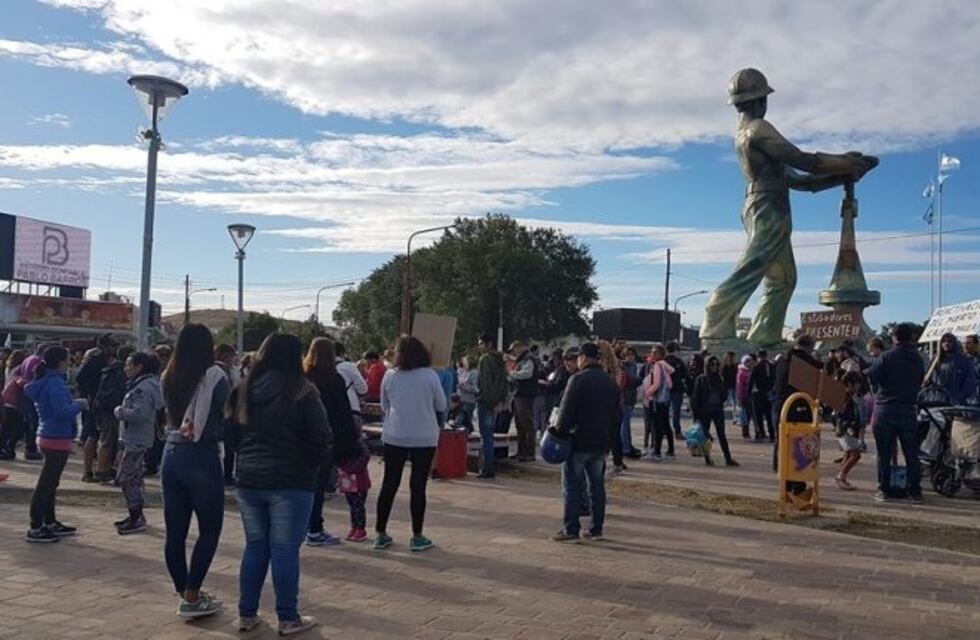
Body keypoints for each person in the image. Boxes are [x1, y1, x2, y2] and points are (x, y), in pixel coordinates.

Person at [699, 67, 877, 345]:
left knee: (783, 280)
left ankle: (765, 335)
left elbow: (802, 182)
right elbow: (804, 161)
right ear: (761, 101)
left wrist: (842, 175)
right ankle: (715, 323)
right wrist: (846, 162)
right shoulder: (758, 129)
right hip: (767, 207)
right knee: (751, 267)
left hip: (767, 203)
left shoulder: (747, 132)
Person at [230, 333, 331, 635]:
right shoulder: (303, 391)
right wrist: (312, 465)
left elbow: (230, 435)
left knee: (255, 546)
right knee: (285, 549)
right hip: (291, 480)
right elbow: (321, 437)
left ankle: (247, 614)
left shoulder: (243, 389)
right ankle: (287, 617)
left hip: (249, 479)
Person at [160, 323, 230, 619]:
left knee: (175, 532)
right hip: (202, 454)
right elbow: (230, 415)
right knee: (210, 529)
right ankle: (192, 595)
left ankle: (183, 590)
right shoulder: (215, 376)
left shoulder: (168, 375)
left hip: (171, 453)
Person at [374, 336, 447, 552]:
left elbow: (384, 405)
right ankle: (417, 535)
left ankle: (380, 533)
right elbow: (441, 404)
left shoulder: (390, 375)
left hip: (395, 435)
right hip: (424, 436)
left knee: (389, 483)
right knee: (418, 486)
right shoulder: (429, 375)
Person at [549, 342, 621, 543]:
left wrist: (558, 434)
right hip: (600, 443)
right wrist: (610, 441)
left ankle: (571, 528)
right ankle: (596, 529)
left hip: (578, 442)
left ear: (583, 358)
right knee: (597, 486)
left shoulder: (577, 380)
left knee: (572, 485)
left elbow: (565, 412)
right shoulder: (610, 383)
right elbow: (617, 417)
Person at [24, 346, 86, 543]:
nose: (69, 363)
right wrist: (79, 405)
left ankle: (49, 522)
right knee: (46, 485)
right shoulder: (55, 383)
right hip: (56, 437)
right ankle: (36, 526)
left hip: (49, 435)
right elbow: (61, 412)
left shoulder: (46, 381)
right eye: (68, 359)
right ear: (60, 362)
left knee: (50, 484)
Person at [303, 337, 358, 547]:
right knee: (319, 486)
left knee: (304, 486)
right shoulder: (335, 380)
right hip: (327, 439)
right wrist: (350, 442)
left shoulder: (303, 377)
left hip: (303, 439)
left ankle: (304, 526)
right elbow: (343, 413)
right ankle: (315, 529)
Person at [869, 323, 926, 502]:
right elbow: (920, 379)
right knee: (911, 453)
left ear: (894, 337)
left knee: (884, 453)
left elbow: (873, 377)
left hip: (886, 408)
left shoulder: (886, 356)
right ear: (911, 337)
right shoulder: (918, 358)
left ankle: (884, 489)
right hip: (908, 409)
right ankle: (914, 490)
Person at [113, 351, 164, 534]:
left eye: (129, 364)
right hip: (136, 437)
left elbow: (140, 414)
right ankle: (135, 514)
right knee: (133, 478)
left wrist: (119, 412)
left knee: (126, 477)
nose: (126, 368)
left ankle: (136, 516)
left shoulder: (143, 388)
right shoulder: (145, 385)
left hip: (137, 439)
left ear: (139, 367)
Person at [691, 356, 739, 467]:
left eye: (717, 364)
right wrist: (696, 414)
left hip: (717, 409)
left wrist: (721, 401)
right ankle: (707, 458)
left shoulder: (720, 378)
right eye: (712, 364)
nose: (715, 367)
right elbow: (696, 397)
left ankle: (728, 458)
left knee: (722, 435)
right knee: (705, 436)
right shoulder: (701, 379)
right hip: (705, 411)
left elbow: (724, 393)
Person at [94, 345, 132, 483]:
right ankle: (110, 470)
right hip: (116, 409)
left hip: (105, 408)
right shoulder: (122, 373)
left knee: (105, 441)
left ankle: (102, 469)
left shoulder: (108, 371)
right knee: (116, 442)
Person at [475, 334, 507, 479]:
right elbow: (504, 382)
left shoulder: (485, 359)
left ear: (489, 344)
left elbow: (486, 383)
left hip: (486, 402)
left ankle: (487, 468)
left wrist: (490, 402)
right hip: (496, 402)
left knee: (485, 437)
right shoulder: (500, 360)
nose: (479, 346)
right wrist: (500, 401)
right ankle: (488, 467)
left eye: (481, 343)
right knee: (489, 436)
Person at [641, 344, 675, 462]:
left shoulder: (657, 366)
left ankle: (656, 452)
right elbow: (670, 384)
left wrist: (647, 393)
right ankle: (670, 450)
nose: (652, 354)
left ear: (661, 354)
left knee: (657, 426)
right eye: (652, 352)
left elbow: (656, 384)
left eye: (655, 352)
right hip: (664, 400)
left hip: (656, 400)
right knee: (665, 424)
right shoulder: (665, 366)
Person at [833, 371, 866, 491]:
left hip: (845, 430)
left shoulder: (848, 396)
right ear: (850, 384)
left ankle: (842, 476)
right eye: (857, 384)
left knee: (848, 454)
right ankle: (840, 477)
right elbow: (841, 415)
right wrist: (848, 427)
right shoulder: (846, 397)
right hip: (846, 431)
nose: (859, 386)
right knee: (856, 455)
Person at [507, 341, 540, 462]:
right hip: (520, 394)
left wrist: (511, 373)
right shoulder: (523, 359)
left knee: (527, 424)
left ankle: (530, 452)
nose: (514, 352)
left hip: (525, 394)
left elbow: (526, 374)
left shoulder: (528, 359)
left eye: (515, 349)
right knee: (519, 424)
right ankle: (521, 451)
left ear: (521, 347)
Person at [214, 343, 242, 487]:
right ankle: (227, 474)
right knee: (230, 446)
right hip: (229, 411)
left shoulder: (213, 370)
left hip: (221, 413)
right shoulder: (225, 371)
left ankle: (225, 474)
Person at [598, 340, 626, 473]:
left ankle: (604, 463)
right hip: (616, 403)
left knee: (605, 436)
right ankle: (618, 462)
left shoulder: (602, 368)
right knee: (616, 435)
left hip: (604, 405)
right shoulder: (616, 367)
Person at [144, 344, 172, 477]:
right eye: (161, 355)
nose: (164, 359)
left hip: (166, 408)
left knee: (162, 436)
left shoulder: (172, 371)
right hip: (154, 407)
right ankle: (150, 464)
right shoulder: (152, 371)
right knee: (152, 437)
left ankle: (158, 463)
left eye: (166, 355)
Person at [928, 333, 976, 406]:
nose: (946, 343)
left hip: (957, 403)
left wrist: (960, 397)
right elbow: (929, 380)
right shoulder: (935, 360)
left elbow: (970, 382)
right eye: (944, 341)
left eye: (949, 341)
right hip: (937, 401)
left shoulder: (964, 360)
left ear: (954, 343)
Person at [0, 349, 28, 460]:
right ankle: (8, 448)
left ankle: (5, 448)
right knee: (18, 428)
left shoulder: (8, 368)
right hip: (14, 401)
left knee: (7, 428)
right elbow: (20, 382)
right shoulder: (19, 369)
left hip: (5, 399)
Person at [619, 347, 643, 460]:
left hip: (631, 397)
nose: (630, 357)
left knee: (627, 424)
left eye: (632, 354)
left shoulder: (634, 366)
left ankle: (628, 445)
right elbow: (634, 380)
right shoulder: (622, 366)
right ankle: (626, 448)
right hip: (624, 398)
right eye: (627, 354)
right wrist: (636, 379)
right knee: (624, 424)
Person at [663, 343, 688, 440]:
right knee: (676, 412)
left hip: (665, 389)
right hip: (677, 389)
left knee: (664, 411)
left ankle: (665, 431)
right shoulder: (679, 361)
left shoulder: (663, 361)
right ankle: (677, 432)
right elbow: (684, 375)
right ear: (675, 350)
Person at [750, 350, 776, 442]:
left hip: (758, 393)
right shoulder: (771, 366)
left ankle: (761, 433)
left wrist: (748, 393)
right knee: (769, 415)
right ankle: (772, 434)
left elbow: (751, 381)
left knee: (758, 416)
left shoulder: (756, 367)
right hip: (769, 393)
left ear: (758, 357)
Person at [735, 354, 755, 439]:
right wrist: (741, 397)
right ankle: (745, 432)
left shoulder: (749, 371)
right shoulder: (742, 372)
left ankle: (748, 431)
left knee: (749, 414)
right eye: (748, 362)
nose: (749, 363)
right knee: (745, 415)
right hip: (743, 396)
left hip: (749, 396)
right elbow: (740, 386)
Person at [456, 355, 478, 431]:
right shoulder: (464, 372)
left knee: (465, 419)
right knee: (463, 419)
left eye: (465, 362)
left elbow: (474, 388)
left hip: (469, 400)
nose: (463, 364)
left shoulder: (474, 373)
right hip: (461, 399)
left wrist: (463, 386)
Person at [721, 351, 738, 420]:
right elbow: (722, 377)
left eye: (733, 358)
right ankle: (720, 414)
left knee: (735, 402)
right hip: (726, 387)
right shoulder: (724, 367)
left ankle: (735, 416)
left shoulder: (736, 366)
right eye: (730, 358)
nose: (732, 359)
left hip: (734, 386)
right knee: (725, 402)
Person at [965, 334, 980, 405]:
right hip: (965, 398)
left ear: (976, 345)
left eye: (968, 343)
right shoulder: (961, 360)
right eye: (965, 343)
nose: (966, 346)